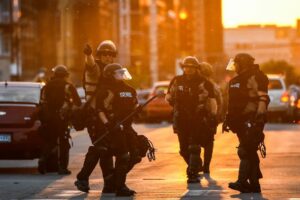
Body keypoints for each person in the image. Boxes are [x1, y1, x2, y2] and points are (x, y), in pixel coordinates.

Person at [165, 56, 217, 183]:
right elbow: (169, 97)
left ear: (196, 68)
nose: (188, 69)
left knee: (194, 147)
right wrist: (177, 108)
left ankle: (192, 173)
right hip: (181, 118)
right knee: (183, 149)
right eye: (186, 67)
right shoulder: (177, 80)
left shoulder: (204, 82)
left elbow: (212, 102)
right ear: (183, 68)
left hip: (198, 119)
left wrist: (212, 117)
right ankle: (197, 165)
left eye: (191, 67)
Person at [223, 53, 269, 193]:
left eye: (237, 63)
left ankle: (242, 182)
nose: (235, 66)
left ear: (243, 64)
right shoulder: (235, 80)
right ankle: (254, 185)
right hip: (239, 122)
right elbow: (231, 103)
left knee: (245, 151)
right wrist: (227, 120)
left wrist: (258, 119)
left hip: (252, 120)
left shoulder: (256, 76)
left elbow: (263, 98)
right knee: (249, 153)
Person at [75, 40, 117, 192]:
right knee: (101, 147)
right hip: (94, 116)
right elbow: (91, 65)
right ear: (100, 55)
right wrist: (88, 54)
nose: (107, 56)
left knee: (106, 148)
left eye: (110, 54)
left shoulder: (114, 72)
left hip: (110, 117)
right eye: (104, 54)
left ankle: (109, 183)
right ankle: (82, 177)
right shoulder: (96, 68)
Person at [95, 63, 140, 196]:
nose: (122, 75)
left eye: (122, 72)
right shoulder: (105, 90)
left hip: (127, 127)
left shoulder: (130, 89)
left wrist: (137, 109)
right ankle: (120, 187)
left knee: (136, 154)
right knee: (123, 156)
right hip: (113, 128)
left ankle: (115, 180)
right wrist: (108, 124)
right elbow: (100, 110)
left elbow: (135, 104)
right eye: (118, 73)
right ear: (110, 75)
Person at [38, 65, 81, 175]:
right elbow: (78, 102)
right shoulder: (68, 86)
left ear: (55, 74)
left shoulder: (47, 86)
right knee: (64, 143)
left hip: (49, 119)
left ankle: (42, 160)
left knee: (50, 141)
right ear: (66, 75)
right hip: (63, 119)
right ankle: (62, 168)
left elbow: (42, 102)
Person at [198, 62, 223, 174]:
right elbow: (221, 102)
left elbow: (219, 102)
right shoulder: (214, 85)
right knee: (208, 143)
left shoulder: (205, 85)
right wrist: (217, 116)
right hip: (210, 117)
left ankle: (201, 165)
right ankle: (205, 166)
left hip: (205, 116)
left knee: (201, 142)